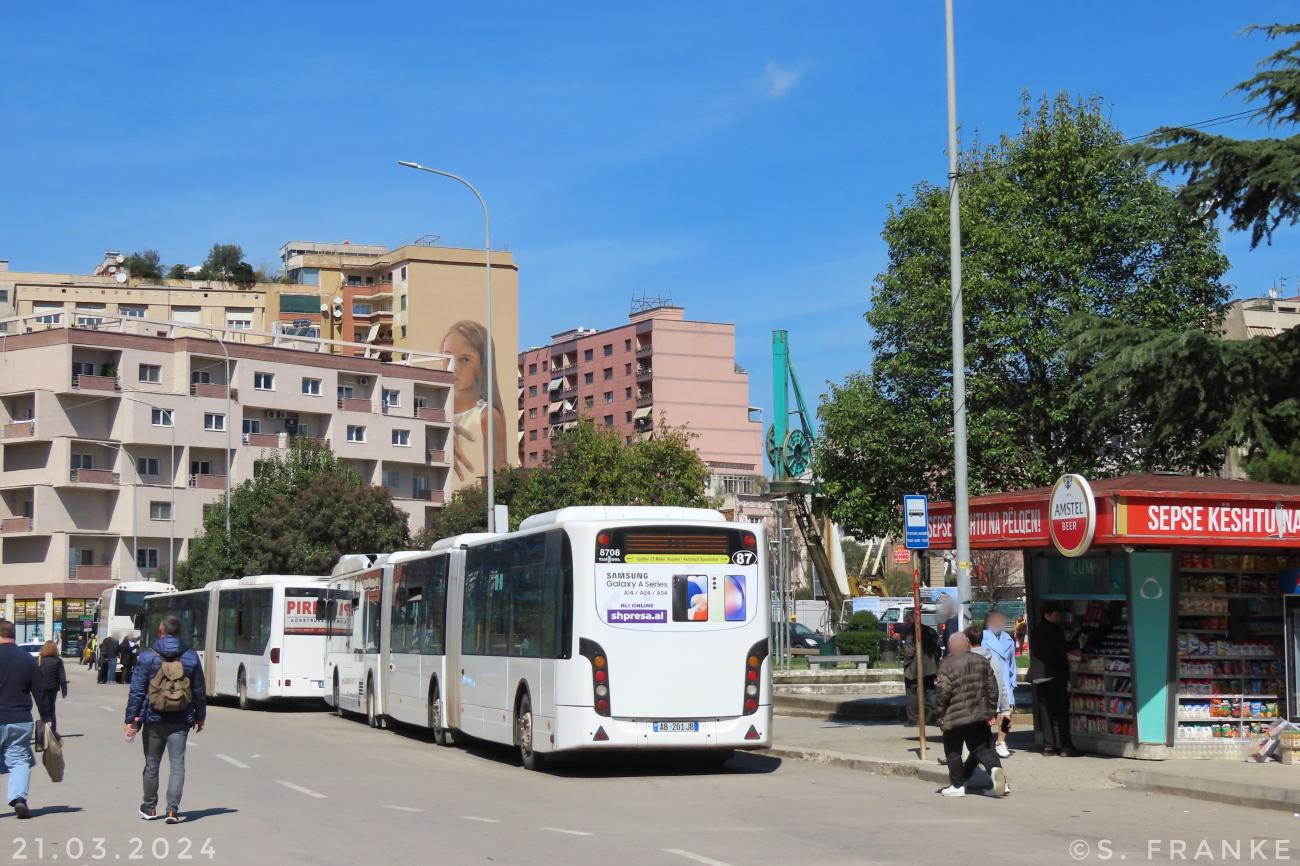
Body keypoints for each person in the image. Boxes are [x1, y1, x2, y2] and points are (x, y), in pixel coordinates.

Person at [125, 616, 207, 823]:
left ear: (160, 631)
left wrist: (131, 720)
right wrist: (199, 716)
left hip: (153, 718)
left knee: (152, 764)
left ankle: (150, 808)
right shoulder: (190, 656)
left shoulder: (147, 656)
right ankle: (172, 810)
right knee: (177, 764)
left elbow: (136, 691)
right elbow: (198, 690)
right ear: (180, 632)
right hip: (181, 718)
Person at [933, 631, 1006, 798]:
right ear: (966, 644)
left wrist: (940, 715)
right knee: (980, 747)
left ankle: (958, 785)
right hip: (978, 714)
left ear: (952, 646)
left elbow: (943, 692)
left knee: (953, 751)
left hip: (955, 716)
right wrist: (991, 710)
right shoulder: (981, 661)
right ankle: (994, 769)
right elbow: (992, 688)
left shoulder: (946, 665)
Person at [441, 321, 507, 484]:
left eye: (465, 360)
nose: (453, 367)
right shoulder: (431, 410)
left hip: (472, 503)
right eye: (447, 357)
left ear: (482, 367)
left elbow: (496, 476)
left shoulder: (486, 415)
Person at [0, 620, 50, 818]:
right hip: (20, 718)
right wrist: (46, 716)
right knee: (19, 760)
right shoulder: (27, 659)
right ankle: (19, 798)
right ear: (14, 635)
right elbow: (40, 690)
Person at [1028, 601, 1078, 757]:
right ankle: (1065, 746)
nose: (1058, 618)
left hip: (1039, 677)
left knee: (1045, 711)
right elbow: (1062, 647)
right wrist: (1078, 642)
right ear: (1047, 615)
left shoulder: (1035, 630)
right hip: (1054, 675)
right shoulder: (1054, 629)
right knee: (1061, 711)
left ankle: (1048, 746)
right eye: (1055, 615)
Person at [966, 626, 1011, 795]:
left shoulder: (967, 661)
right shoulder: (994, 659)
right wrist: (1004, 709)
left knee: (982, 745)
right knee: (980, 743)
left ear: (967, 641)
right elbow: (1002, 684)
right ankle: (964, 777)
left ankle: (997, 776)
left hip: (973, 709)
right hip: (993, 707)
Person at [982, 610, 1018, 758]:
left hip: (1005, 681)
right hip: (989, 680)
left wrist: (1013, 681)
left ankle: (1001, 742)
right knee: (988, 714)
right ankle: (986, 743)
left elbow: (1012, 662)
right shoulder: (983, 638)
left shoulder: (1008, 638)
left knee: (1007, 713)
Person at [901, 609, 941, 727]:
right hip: (930, 667)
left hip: (915, 667)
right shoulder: (930, 631)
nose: (906, 621)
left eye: (907, 619)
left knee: (911, 691)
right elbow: (937, 649)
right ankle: (941, 715)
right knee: (930, 691)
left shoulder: (911, 632)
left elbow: (909, 652)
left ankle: (914, 719)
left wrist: (906, 665)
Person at [37, 642, 66, 736]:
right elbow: (62, 676)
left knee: (43, 710)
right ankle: (52, 732)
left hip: (40, 689)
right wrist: (64, 690)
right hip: (53, 688)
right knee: (52, 710)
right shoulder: (58, 661)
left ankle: (43, 732)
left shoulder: (40, 659)